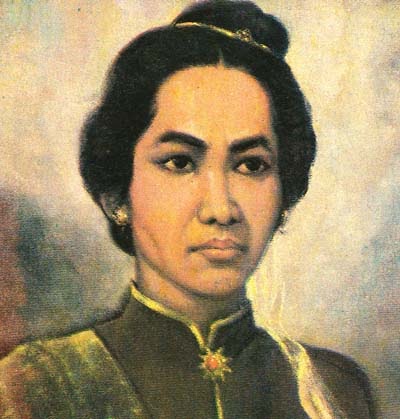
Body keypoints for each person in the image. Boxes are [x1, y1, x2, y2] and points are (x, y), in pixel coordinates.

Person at [0, 1, 374, 418]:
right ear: (117, 195)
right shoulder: (36, 385)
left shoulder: (334, 390)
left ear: (284, 194)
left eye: (251, 166)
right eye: (180, 162)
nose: (221, 209)